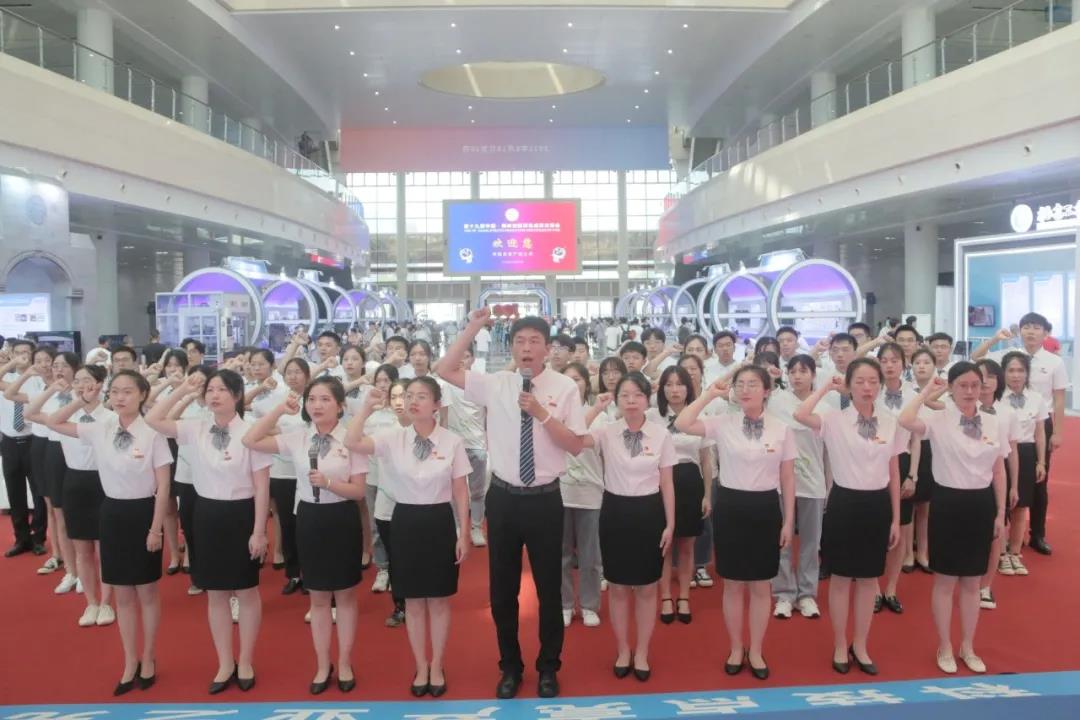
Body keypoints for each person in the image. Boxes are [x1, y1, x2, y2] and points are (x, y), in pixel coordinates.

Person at [434, 308, 586, 700]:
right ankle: (511, 667)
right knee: (502, 592)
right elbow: (444, 369)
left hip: (545, 499)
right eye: (520, 341)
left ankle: (549, 667)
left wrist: (542, 414)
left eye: (535, 341)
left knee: (550, 589)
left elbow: (574, 444)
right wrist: (473, 326)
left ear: (548, 348)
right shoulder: (496, 383)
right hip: (503, 498)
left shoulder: (564, 388)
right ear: (511, 347)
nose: (527, 348)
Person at [146, 369, 272, 694]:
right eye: (210, 390)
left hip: (242, 514)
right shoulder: (196, 426)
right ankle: (225, 662)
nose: (214, 395)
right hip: (206, 514)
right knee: (215, 593)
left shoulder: (252, 431)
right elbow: (154, 419)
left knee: (246, 591)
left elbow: (262, 487)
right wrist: (184, 390)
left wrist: (259, 531)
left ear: (237, 395)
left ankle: (246, 660)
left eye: (222, 390)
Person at [48, 370, 171, 694]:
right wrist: (80, 399)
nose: (120, 397)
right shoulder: (100, 427)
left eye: (128, 391)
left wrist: (156, 529)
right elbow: (53, 422)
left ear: (142, 395)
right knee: (123, 594)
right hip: (112, 513)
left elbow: (163, 486)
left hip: (144, 514)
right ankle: (130, 660)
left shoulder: (153, 432)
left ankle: (149, 656)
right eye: (115, 391)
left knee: (147, 592)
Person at [347, 378, 471, 698]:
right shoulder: (393, 438)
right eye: (409, 396)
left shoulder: (452, 441)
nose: (413, 401)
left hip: (439, 522)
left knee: (439, 600)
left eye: (422, 396)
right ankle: (421, 665)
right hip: (404, 522)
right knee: (413, 601)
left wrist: (464, 532)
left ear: (437, 404)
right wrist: (365, 409)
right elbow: (352, 442)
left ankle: (437, 664)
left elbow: (460, 490)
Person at [244, 377, 368, 694]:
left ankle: (345, 662)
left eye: (325, 399)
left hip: (342, 517)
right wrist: (278, 410)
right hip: (309, 519)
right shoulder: (298, 437)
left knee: (345, 595)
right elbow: (250, 439)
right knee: (318, 596)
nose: (316, 405)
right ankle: (323, 664)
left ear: (340, 405)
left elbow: (358, 491)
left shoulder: (352, 439)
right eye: (311, 399)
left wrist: (329, 483)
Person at [677, 366, 795, 680]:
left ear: (767, 391)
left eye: (753, 384)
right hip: (730, 506)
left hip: (766, 508)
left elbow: (788, 478)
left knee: (760, 585)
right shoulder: (723, 422)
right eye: (740, 384)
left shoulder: (782, 429)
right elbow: (683, 423)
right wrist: (709, 394)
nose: (745, 389)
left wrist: (788, 521)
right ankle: (735, 647)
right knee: (732, 584)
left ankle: (755, 649)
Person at [794, 358, 903, 676]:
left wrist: (896, 518)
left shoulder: (891, 422)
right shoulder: (834, 419)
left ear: (880, 385)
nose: (867, 388)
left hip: (877, 505)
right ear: (848, 386)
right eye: (860, 381)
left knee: (869, 579)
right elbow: (801, 414)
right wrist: (825, 388)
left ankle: (861, 644)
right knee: (841, 579)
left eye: (873, 381)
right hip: (844, 503)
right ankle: (841, 643)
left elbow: (894, 472)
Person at [899, 365, 1008, 674]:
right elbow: (905, 419)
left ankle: (968, 645)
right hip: (947, 502)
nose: (970, 391)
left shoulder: (994, 422)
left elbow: (998, 470)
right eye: (962, 385)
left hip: (981, 504)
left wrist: (1000, 512)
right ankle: (945, 644)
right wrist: (927, 391)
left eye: (975, 385)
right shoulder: (939, 419)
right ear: (951, 387)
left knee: (973, 582)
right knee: (945, 581)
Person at [577, 373, 674, 681]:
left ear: (648, 399)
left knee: (646, 587)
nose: (631, 400)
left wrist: (671, 523)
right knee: (618, 587)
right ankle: (622, 649)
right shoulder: (607, 431)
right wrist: (596, 407)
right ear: (615, 399)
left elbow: (667, 482)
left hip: (649, 512)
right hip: (615, 511)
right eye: (624, 395)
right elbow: (575, 439)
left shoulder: (661, 434)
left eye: (637, 395)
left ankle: (642, 651)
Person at [971, 314, 1067, 555]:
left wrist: (1057, 432)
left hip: (1037, 423)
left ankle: (1037, 534)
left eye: (1036, 328)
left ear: (1046, 333)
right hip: (1004, 420)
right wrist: (995, 339)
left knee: (1038, 482)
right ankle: (1001, 535)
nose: (1030, 332)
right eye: (1026, 327)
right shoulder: (1008, 354)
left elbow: (1058, 398)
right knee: (1001, 478)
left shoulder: (1054, 362)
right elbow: (976, 358)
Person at [647, 366, 713, 626]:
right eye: (669, 384)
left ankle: (684, 596)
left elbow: (706, 459)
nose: (674, 390)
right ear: (661, 388)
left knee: (686, 545)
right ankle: (665, 597)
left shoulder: (698, 415)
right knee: (663, 545)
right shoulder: (652, 416)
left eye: (680, 384)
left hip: (690, 481)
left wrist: (707, 494)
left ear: (689, 387)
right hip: (659, 482)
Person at [15, 352, 82, 593]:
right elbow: (29, 413)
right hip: (55, 451)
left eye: (64, 366)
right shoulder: (50, 395)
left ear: (75, 368)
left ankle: (85, 569)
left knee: (81, 516)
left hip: (82, 455)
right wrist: (52, 389)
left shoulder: (84, 393)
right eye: (55, 366)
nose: (58, 370)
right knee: (59, 512)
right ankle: (71, 571)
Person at [769, 355, 826, 620]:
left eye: (803, 371)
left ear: (813, 375)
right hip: (781, 484)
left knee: (811, 543)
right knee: (781, 541)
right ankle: (784, 593)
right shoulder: (777, 401)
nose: (797, 376)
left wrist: (829, 485)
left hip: (813, 483)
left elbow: (829, 452)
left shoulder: (825, 405)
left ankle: (807, 594)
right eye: (792, 371)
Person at [246, 350, 306, 594]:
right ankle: (294, 573)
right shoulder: (277, 398)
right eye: (289, 372)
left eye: (298, 372)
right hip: (282, 471)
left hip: (307, 472)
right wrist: (281, 433)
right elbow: (262, 427)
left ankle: (312, 574)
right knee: (288, 524)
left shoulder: (314, 399)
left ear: (307, 375)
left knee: (307, 525)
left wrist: (284, 433)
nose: (292, 377)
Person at [873, 342, 921, 614]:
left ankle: (891, 588)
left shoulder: (914, 394)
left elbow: (917, 439)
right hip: (873, 461)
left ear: (904, 363)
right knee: (875, 528)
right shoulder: (870, 391)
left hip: (902, 460)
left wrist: (912, 474)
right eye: (884, 360)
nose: (889, 365)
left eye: (895, 360)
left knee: (900, 528)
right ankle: (873, 588)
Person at [559, 363, 605, 629]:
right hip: (559, 493)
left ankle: (589, 605)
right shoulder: (552, 415)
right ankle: (564, 604)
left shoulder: (602, 415)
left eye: (577, 379)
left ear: (587, 383)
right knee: (561, 554)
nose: (572, 384)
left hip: (591, 493)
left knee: (590, 556)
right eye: (567, 379)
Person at [995, 352, 1047, 579]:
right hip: (1000, 453)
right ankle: (1000, 553)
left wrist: (1041, 461)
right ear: (1003, 373)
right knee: (1000, 504)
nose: (1016, 375)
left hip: (1026, 453)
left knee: (1021, 504)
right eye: (1011, 370)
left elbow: (1040, 433)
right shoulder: (996, 398)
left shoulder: (1036, 398)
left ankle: (1015, 552)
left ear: (1027, 373)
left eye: (1020, 371)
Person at [364, 374, 408, 626]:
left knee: (413, 557)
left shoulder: (430, 432)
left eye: (404, 396)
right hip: (387, 507)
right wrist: (366, 409)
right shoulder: (384, 432)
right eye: (395, 397)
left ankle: (417, 601)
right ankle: (400, 605)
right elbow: (352, 441)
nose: (399, 401)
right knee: (395, 558)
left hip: (417, 508)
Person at [0, 341, 47, 556]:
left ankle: (38, 537)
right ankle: (21, 538)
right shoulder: (7, 377)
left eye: (26, 353)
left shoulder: (39, 380)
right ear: (11, 354)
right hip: (9, 441)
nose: (22, 357)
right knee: (14, 491)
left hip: (32, 440)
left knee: (38, 492)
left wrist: (30, 372)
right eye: (17, 353)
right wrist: (12, 364)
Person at [444, 347, 489, 547]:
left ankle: (476, 527)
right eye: (459, 356)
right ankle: (458, 527)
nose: (462, 360)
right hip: (455, 446)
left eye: (467, 356)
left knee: (477, 491)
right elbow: (443, 417)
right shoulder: (446, 384)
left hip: (477, 444)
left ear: (473, 359)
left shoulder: (481, 383)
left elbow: (489, 414)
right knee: (456, 490)